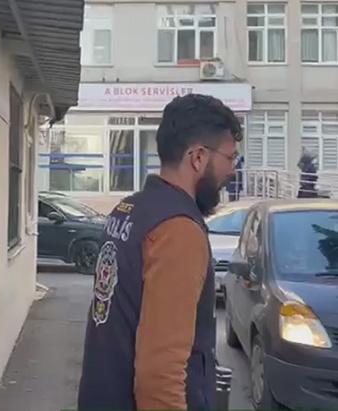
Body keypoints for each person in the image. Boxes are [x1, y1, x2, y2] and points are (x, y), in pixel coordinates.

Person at [77, 94, 241, 410]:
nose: (232, 170)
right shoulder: (177, 230)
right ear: (198, 157)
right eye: (230, 158)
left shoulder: (129, 210)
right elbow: (161, 373)